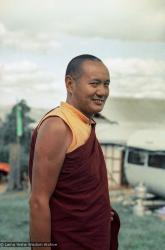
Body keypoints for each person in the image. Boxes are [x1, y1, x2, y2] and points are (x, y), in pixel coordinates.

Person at [29, 54, 120, 250]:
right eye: (94, 83)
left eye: (106, 84)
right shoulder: (58, 126)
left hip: (91, 234)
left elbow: (77, 186)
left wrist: (97, 208)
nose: (102, 91)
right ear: (70, 84)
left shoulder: (83, 122)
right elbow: (38, 201)